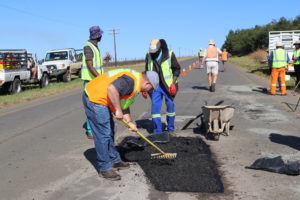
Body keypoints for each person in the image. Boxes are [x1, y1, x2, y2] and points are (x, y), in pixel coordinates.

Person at [82, 69, 159, 181]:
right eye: (151, 88)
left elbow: (124, 103)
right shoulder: (130, 81)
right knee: (103, 134)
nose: (150, 91)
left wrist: (130, 122)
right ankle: (104, 168)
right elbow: (112, 89)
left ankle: (115, 160)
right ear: (147, 83)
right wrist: (117, 110)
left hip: (104, 99)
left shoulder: (135, 83)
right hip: (95, 98)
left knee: (110, 131)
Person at [145, 39, 181, 134]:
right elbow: (146, 71)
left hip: (168, 86)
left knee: (170, 106)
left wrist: (173, 84)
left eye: (155, 52)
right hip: (155, 86)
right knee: (155, 108)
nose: (153, 53)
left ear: (159, 48)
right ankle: (157, 131)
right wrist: (144, 88)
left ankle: (170, 128)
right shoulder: (148, 56)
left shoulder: (169, 54)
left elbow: (176, 69)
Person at [81, 26, 104, 139]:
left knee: (98, 106)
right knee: (91, 107)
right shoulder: (88, 47)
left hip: (95, 81)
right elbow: (90, 66)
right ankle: (90, 131)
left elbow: (96, 64)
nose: (101, 36)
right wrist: (100, 78)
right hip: (90, 82)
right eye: (100, 34)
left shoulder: (95, 47)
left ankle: (96, 128)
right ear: (97, 36)